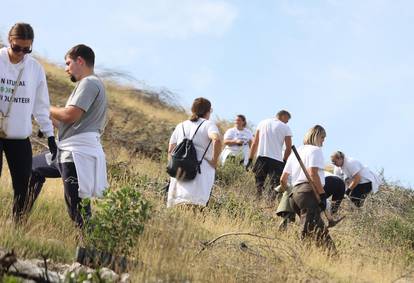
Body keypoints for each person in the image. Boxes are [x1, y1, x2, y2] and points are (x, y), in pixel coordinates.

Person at [28, 44, 108, 227]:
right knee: (32, 167)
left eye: (68, 63)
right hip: (67, 151)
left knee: (77, 210)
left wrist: (43, 107)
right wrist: (46, 118)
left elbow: (69, 115)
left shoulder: (89, 83)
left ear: (80, 61)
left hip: (75, 155)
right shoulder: (89, 84)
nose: (66, 69)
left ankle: (90, 250)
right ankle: (20, 218)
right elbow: (69, 123)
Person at [0, 23, 57, 222]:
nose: (21, 53)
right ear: (9, 41)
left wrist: (49, 134)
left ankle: (17, 224)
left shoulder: (34, 69)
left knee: (24, 182)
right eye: (17, 48)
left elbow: (41, 106)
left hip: (18, 134)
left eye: (27, 49)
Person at [280, 125, 335, 250]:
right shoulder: (315, 150)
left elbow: (282, 179)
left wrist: (291, 192)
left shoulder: (296, 152)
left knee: (318, 229)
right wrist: (322, 195)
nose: (323, 141)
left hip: (295, 196)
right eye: (322, 137)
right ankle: (301, 254)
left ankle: (332, 257)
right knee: (306, 229)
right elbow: (313, 173)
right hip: (309, 193)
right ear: (315, 136)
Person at [167, 97, 222, 208]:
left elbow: (170, 149)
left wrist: (172, 165)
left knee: (177, 207)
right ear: (208, 111)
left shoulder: (181, 125)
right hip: (200, 171)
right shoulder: (208, 125)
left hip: (179, 172)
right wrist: (214, 161)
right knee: (195, 206)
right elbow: (216, 140)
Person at [246, 110, 292, 200]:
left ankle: (257, 203)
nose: (287, 122)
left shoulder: (262, 123)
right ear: (283, 116)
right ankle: (269, 205)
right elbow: (288, 148)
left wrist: (250, 159)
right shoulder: (286, 127)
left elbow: (255, 142)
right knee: (274, 187)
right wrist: (285, 161)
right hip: (276, 160)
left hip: (261, 157)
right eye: (287, 120)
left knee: (259, 185)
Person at [276, 172, 345, 230]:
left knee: (302, 203)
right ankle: (310, 225)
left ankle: (301, 222)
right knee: (314, 209)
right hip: (320, 181)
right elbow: (332, 205)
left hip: (305, 184)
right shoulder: (339, 184)